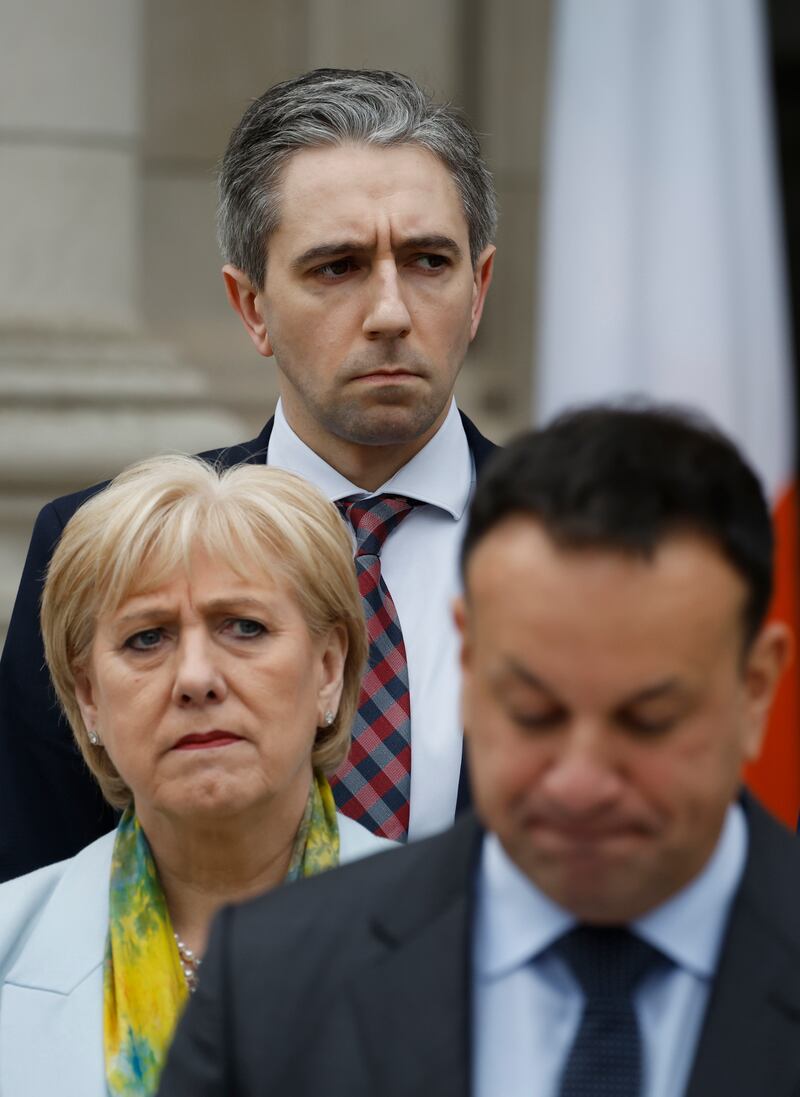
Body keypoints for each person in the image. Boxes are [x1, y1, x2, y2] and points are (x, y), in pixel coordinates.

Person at [157, 405, 800, 1097]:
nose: (580, 781)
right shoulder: (271, 984)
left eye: (648, 720)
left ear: (757, 688)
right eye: (533, 712)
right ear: (466, 656)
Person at [0, 67, 497, 880]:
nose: (390, 312)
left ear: (477, 290)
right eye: (336, 267)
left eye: (427, 260)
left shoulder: (593, 544)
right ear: (252, 306)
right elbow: (38, 881)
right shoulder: (98, 544)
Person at [0, 454, 394, 1097]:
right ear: (90, 696)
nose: (195, 679)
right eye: (147, 639)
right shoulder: (9, 945)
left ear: (327, 670)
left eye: (244, 627)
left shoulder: (465, 948)